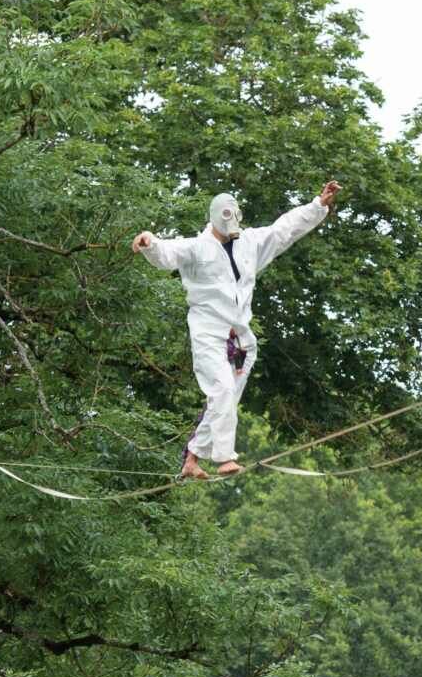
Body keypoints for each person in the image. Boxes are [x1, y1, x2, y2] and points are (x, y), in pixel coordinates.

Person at [133, 180, 340, 479]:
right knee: (222, 390)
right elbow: (167, 253)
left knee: (225, 399)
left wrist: (318, 205)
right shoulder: (196, 247)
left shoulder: (250, 243)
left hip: (241, 339)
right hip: (208, 333)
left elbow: (285, 229)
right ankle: (224, 457)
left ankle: (191, 459)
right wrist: (149, 242)